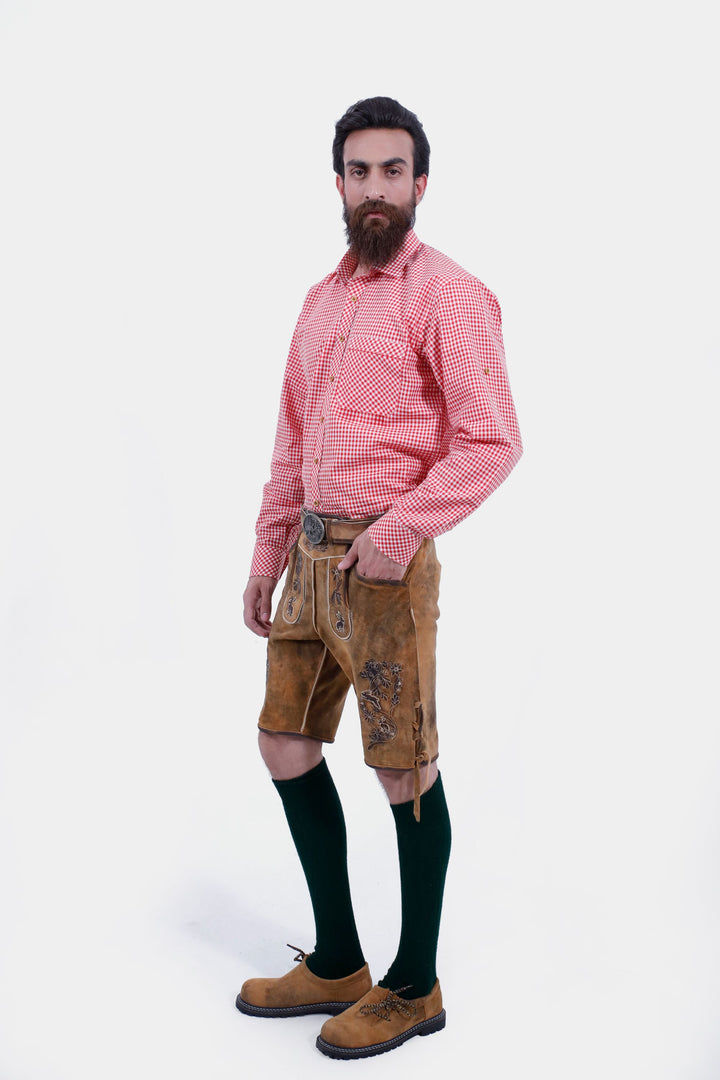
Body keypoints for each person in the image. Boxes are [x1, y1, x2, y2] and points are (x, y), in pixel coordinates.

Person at [236, 96, 522, 1060]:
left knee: (403, 767)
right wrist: (267, 554)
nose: (375, 189)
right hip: (309, 565)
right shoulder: (321, 301)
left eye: (392, 171)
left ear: (420, 183)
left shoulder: (448, 294)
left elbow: (493, 440)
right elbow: (291, 438)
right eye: (359, 172)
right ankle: (339, 961)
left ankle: (415, 983)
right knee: (284, 743)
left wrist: (402, 533)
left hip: (387, 567)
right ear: (339, 183)